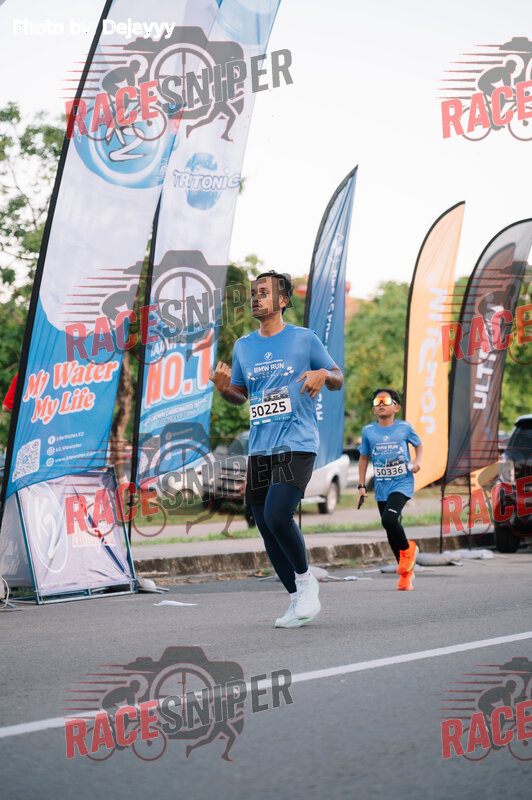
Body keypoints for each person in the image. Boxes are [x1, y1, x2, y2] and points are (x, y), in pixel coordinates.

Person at [209, 270, 343, 628]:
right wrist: (223, 388)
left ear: (283, 300)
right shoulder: (243, 346)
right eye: (254, 292)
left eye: (264, 292)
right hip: (261, 448)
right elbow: (241, 395)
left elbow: (337, 377)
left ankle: (306, 582)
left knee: (277, 515)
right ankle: (296, 600)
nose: (256, 298)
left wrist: (323, 375)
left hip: (296, 442)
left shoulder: (304, 339)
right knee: (264, 524)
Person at [357, 389, 423, 591]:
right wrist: (361, 485)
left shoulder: (404, 427)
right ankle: (406, 574)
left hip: (402, 483)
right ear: (373, 408)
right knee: (390, 530)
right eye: (377, 401)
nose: (381, 405)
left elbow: (419, 445)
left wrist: (417, 461)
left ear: (396, 407)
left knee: (389, 519)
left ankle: (409, 550)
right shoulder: (368, 431)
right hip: (382, 486)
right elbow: (363, 458)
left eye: (385, 401)